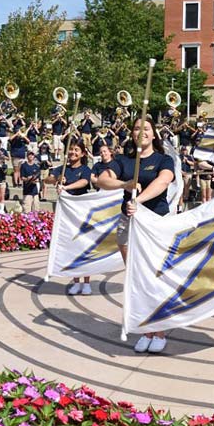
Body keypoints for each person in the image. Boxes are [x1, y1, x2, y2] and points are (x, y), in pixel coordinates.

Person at [100, 118, 177, 354]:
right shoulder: (124, 161)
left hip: (155, 223)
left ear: (153, 134)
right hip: (128, 223)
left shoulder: (163, 159)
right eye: (136, 128)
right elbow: (103, 179)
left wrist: (138, 200)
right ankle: (146, 330)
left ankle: (159, 330)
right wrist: (124, 184)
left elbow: (163, 181)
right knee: (137, 279)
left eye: (146, 128)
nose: (141, 132)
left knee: (154, 278)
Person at [60, 140, 95, 297]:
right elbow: (49, 179)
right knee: (72, 247)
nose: (73, 152)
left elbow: (84, 182)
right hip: (67, 215)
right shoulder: (64, 169)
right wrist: (57, 180)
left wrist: (67, 187)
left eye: (76, 150)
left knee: (84, 247)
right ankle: (76, 282)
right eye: (71, 149)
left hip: (81, 212)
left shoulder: (85, 169)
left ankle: (86, 283)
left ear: (82, 153)